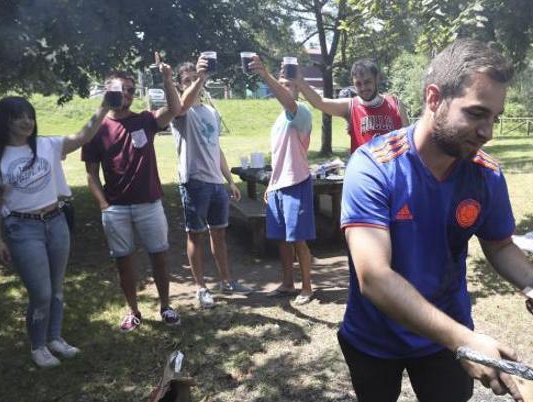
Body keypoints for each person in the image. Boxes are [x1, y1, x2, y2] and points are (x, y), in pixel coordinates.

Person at [336, 39, 533, 402]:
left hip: (445, 331)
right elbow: (374, 278)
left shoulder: (485, 175)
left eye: (494, 117)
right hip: (374, 332)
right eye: (477, 113)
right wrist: (467, 341)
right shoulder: (373, 167)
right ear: (434, 99)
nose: (487, 132)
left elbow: (499, 246)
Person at [0, 96, 111, 367]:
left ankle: (54, 338)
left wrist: (105, 107)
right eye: (19, 116)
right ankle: (38, 346)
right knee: (41, 293)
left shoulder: (47, 145)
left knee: (57, 287)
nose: (27, 121)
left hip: (56, 221)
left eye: (30, 115)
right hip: (22, 228)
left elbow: (83, 136)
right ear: (5, 120)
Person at [82, 60, 182, 331]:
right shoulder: (96, 129)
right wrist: (104, 206)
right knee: (123, 263)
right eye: (118, 89)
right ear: (106, 90)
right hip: (116, 209)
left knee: (159, 258)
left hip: (149, 204)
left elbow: (175, 109)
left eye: (129, 89)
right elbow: (91, 173)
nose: (124, 93)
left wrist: (167, 78)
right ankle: (133, 311)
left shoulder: (145, 120)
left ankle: (165, 306)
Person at [171, 58, 252, 309]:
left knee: (219, 235)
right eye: (187, 81)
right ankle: (200, 288)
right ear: (179, 86)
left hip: (216, 184)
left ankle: (226, 282)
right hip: (194, 183)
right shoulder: (180, 112)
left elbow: (216, 149)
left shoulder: (211, 113)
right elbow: (183, 104)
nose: (194, 84)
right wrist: (199, 79)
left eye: (195, 78)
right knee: (195, 235)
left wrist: (230, 181)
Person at [248, 55, 315, 305]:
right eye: (282, 83)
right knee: (282, 240)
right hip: (278, 186)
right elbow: (279, 157)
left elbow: (288, 102)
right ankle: (288, 283)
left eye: (290, 84)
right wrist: (270, 184)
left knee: (298, 238)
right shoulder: (279, 120)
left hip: (297, 182)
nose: (285, 88)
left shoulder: (302, 112)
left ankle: (307, 287)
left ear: (298, 87)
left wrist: (265, 75)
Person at [295, 58, 408, 154]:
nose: (363, 88)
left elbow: (408, 144)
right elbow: (319, 102)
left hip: (393, 175)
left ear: (377, 78)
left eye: (367, 82)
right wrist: (300, 81)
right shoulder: (350, 105)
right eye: (358, 84)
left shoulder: (396, 104)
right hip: (365, 175)